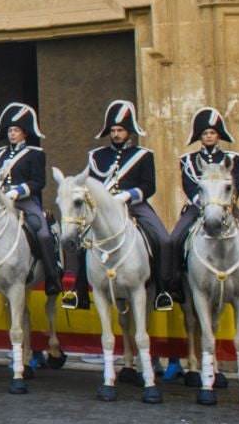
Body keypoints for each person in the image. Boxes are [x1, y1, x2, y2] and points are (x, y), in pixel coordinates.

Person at [75, 99, 177, 311]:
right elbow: (91, 185)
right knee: (80, 240)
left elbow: (149, 186)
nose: (116, 134)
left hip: (134, 206)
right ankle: (79, 291)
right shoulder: (96, 157)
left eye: (120, 130)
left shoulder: (143, 156)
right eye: (113, 130)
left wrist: (128, 196)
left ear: (129, 131)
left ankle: (162, 291)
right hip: (104, 210)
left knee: (163, 239)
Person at [170, 105, 239, 302]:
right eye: (205, 133)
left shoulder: (233, 159)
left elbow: (237, 185)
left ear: (218, 135)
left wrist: (222, 206)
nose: (209, 136)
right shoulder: (188, 160)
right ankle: (174, 283)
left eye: (212, 132)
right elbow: (188, 186)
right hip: (197, 209)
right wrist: (204, 205)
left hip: (227, 209)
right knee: (174, 239)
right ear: (199, 136)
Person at [0, 104, 63, 300]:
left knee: (44, 234)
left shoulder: (35, 154)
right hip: (1, 202)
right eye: (10, 130)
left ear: (25, 133)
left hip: (25, 202)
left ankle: (52, 278)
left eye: (16, 130)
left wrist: (17, 191)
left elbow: (39, 182)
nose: (12, 134)